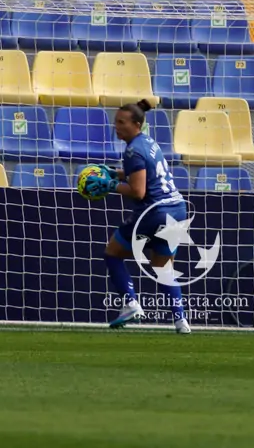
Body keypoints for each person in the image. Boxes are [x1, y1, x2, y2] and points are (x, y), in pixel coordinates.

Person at [84, 100, 191, 334]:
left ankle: (131, 304)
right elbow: (145, 173)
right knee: (163, 267)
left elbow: (138, 191)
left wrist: (109, 185)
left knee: (112, 253)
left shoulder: (133, 150)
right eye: (116, 122)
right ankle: (181, 321)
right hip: (177, 210)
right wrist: (116, 172)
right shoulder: (148, 143)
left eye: (122, 122)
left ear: (136, 124)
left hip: (155, 213)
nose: (117, 126)